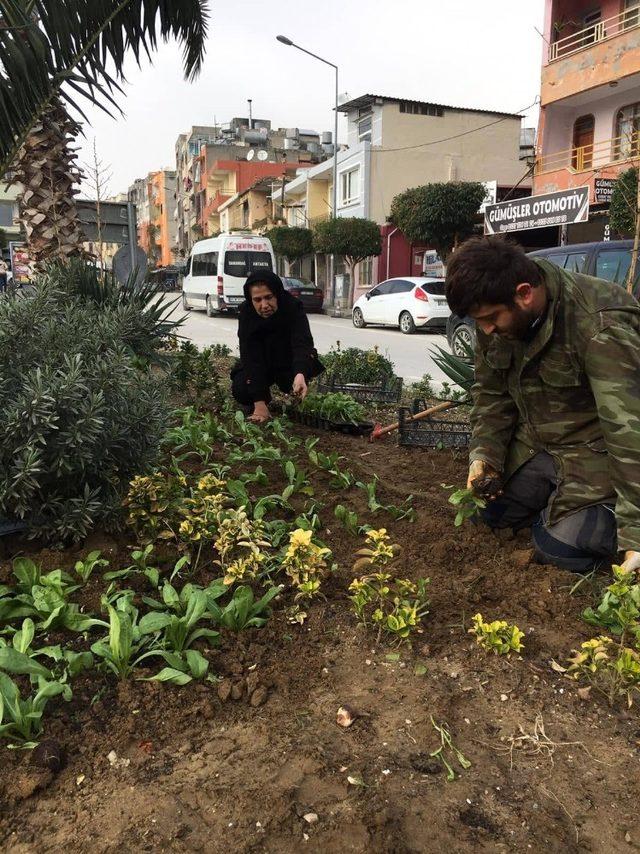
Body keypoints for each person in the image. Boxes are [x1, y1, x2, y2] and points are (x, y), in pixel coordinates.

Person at [445, 235, 640, 575]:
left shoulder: (598, 325)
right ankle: (559, 508)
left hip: (595, 455)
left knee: (557, 549)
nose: (485, 329)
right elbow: (492, 394)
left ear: (524, 293)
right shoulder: (493, 318)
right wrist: (484, 457)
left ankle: (600, 515)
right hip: (537, 448)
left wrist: (636, 534)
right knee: (486, 512)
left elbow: (628, 433)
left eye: (491, 318)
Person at [231, 270, 324, 423]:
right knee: (241, 388)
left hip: (288, 360)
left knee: (298, 380)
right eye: (257, 300)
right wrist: (259, 402)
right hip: (262, 361)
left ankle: (297, 386)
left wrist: (301, 373)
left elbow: (302, 344)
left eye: (269, 297)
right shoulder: (246, 313)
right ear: (250, 300)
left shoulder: (293, 307)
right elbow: (250, 356)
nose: (264, 305)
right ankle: (260, 401)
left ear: (277, 294)